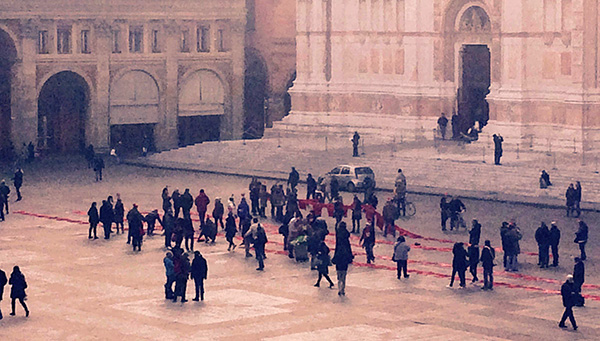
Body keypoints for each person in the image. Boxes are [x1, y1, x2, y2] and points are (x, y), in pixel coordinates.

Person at [331, 222, 353, 296]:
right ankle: (342, 289)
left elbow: (336, 249)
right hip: (345, 259)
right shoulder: (346, 238)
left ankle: (339, 287)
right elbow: (349, 248)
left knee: (339, 275)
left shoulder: (338, 238)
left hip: (338, 258)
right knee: (343, 275)